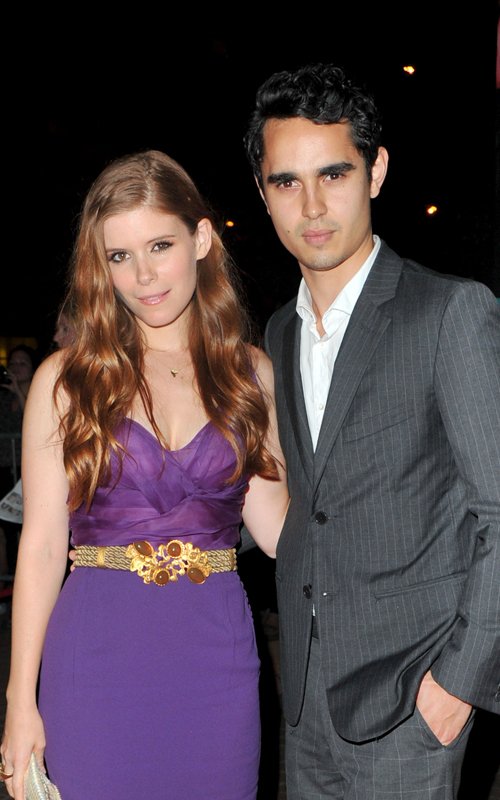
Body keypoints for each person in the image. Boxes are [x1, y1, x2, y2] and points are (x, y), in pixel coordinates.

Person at [243, 62, 500, 799]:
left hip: (412, 699)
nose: (312, 205)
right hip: (306, 700)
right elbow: (307, 509)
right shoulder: (280, 332)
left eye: (335, 174)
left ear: (376, 171)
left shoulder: (449, 313)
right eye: (286, 182)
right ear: (262, 193)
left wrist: (458, 684)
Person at [1, 149, 289, 800]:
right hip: (95, 661)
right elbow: (41, 547)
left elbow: (280, 531)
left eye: (160, 245)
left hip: (216, 664)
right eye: (119, 256)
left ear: (201, 239)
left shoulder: (250, 375)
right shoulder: (67, 380)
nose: (143, 275)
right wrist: (20, 702)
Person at [0, 345, 37, 577]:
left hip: (27, 470)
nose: (16, 367)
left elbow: (34, 422)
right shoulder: (3, 397)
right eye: (13, 363)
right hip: (4, 467)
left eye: (23, 363)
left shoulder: (38, 393)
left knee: (25, 526)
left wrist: (20, 393)